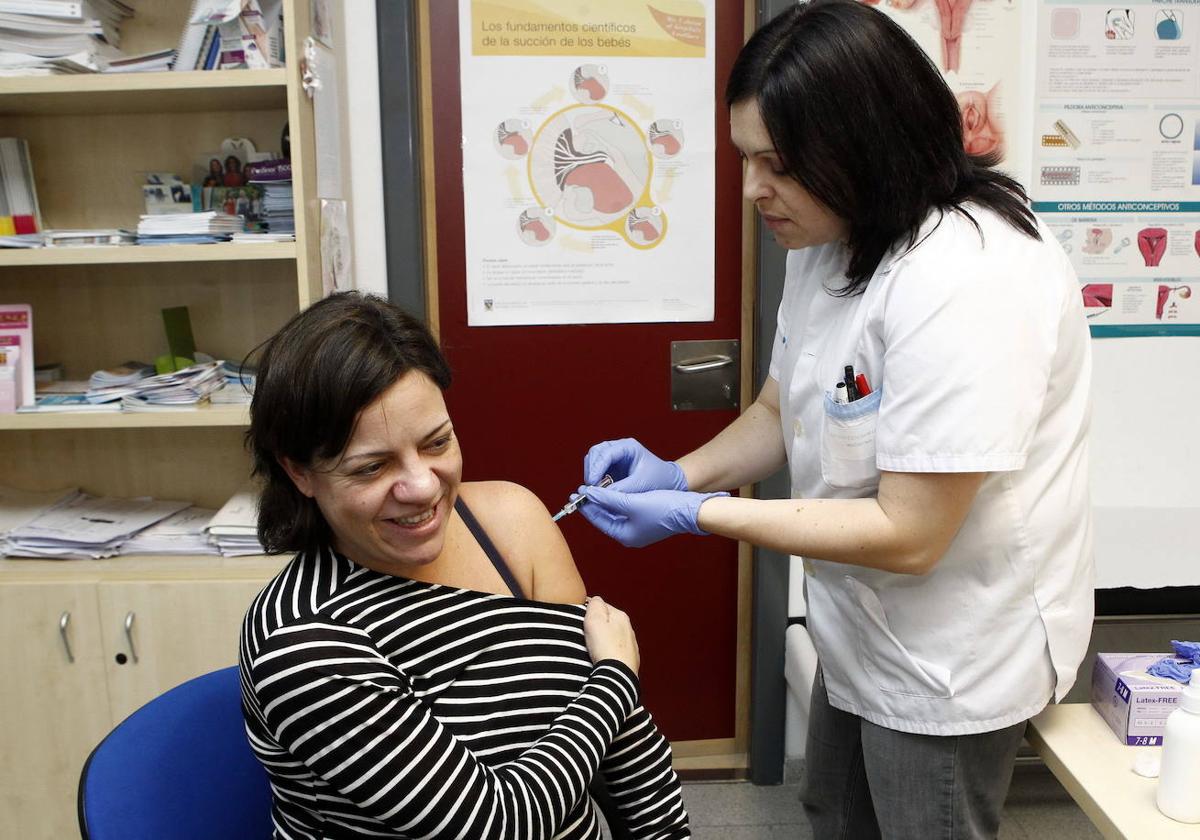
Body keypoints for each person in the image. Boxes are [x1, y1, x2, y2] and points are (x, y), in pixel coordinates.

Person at [574, 3, 1093, 839]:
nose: (751, 191)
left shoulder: (970, 278)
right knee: (837, 812)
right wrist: (682, 471)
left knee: (923, 820)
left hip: (951, 656)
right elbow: (783, 409)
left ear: (863, 144)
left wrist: (696, 515)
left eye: (775, 165)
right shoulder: (833, 237)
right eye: (745, 159)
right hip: (862, 626)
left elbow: (912, 532)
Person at [239, 292, 690, 840]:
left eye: (437, 442)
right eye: (373, 467)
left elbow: (625, 750)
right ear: (300, 473)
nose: (423, 486)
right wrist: (615, 679)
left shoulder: (511, 522)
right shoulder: (304, 640)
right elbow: (492, 824)